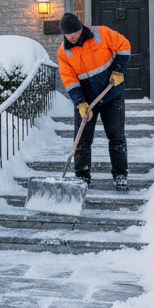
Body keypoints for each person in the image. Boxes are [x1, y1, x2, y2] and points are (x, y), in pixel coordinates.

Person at [56, 11, 131, 192]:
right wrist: (80, 102)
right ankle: (82, 177)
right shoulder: (63, 52)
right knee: (81, 139)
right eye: (68, 34)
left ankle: (120, 174)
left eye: (74, 32)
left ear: (81, 28)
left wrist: (118, 70)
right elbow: (69, 79)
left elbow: (124, 45)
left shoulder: (101, 33)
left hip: (111, 94)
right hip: (87, 101)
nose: (72, 37)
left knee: (116, 136)